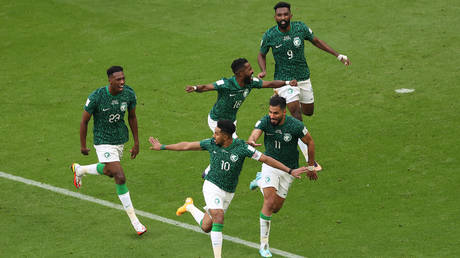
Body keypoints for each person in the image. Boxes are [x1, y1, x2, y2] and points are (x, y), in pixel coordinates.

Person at [148, 120, 308, 258]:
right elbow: (187, 146)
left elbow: (265, 159)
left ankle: (189, 206)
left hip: (228, 192)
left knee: (206, 227)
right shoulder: (211, 144)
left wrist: (289, 170)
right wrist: (162, 146)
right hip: (211, 186)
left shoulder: (242, 148)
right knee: (218, 217)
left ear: (226, 135)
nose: (213, 136)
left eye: (217, 133)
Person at [257, 1, 351, 168]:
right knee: (296, 114)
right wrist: (263, 70)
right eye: (279, 15)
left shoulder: (300, 28)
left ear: (290, 15)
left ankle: (282, 98)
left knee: (309, 112)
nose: (283, 18)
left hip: (303, 78)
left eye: (285, 14)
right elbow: (261, 54)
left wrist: (338, 55)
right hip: (284, 80)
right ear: (275, 17)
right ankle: (310, 159)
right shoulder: (270, 35)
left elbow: (316, 41)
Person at [185, 57, 298, 178]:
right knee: (232, 145)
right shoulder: (227, 84)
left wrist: (286, 83)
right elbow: (207, 87)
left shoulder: (251, 82)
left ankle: (213, 167)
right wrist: (195, 88)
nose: (252, 70)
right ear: (239, 73)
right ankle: (209, 172)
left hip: (231, 121)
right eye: (249, 69)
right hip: (217, 120)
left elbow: (269, 84)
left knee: (229, 145)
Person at [70, 66, 146, 235]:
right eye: (118, 79)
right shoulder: (97, 96)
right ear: (110, 80)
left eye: (123, 78)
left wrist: (136, 142)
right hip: (103, 141)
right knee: (119, 175)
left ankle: (80, 169)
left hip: (120, 140)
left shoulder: (129, 93)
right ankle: (135, 221)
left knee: (110, 171)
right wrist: (83, 145)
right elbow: (84, 121)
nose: (122, 82)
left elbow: (132, 117)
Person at [247, 95, 318, 257]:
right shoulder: (265, 121)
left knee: (276, 208)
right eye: (270, 112)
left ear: (284, 112)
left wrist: (311, 165)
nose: (272, 116)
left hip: (289, 170)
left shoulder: (295, 126)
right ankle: (263, 245)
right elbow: (255, 133)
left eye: (276, 113)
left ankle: (259, 182)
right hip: (270, 165)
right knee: (269, 202)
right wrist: (251, 140)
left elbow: (310, 142)